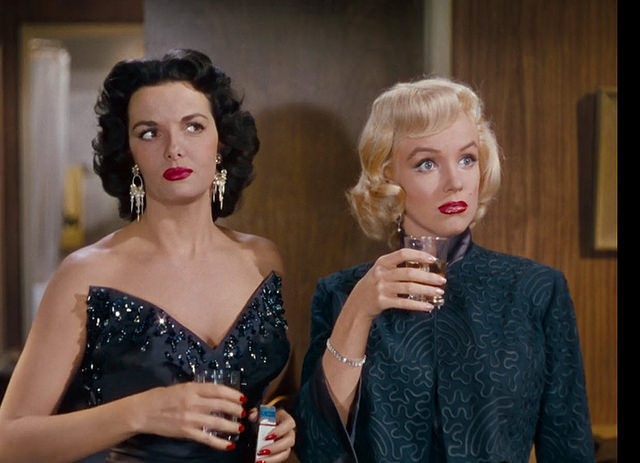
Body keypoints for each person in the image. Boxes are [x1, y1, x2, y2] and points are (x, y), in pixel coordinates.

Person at [0, 49, 295, 463]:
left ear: (221, 142)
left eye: (193, 126)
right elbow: (9, 440)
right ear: (130, 153)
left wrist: (280, 420)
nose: (174, 148)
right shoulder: (87, 273)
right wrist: (141, 412)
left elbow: (278, 393)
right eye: (149, 133)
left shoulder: (263, 260)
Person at [294, 77, 595, 462]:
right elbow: (316, 448)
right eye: (427, 164)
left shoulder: (536, 289)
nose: (455, 182)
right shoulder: (340, 293)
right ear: (388, 176)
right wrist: (358, 310)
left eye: (467, 159)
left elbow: (570, 448)